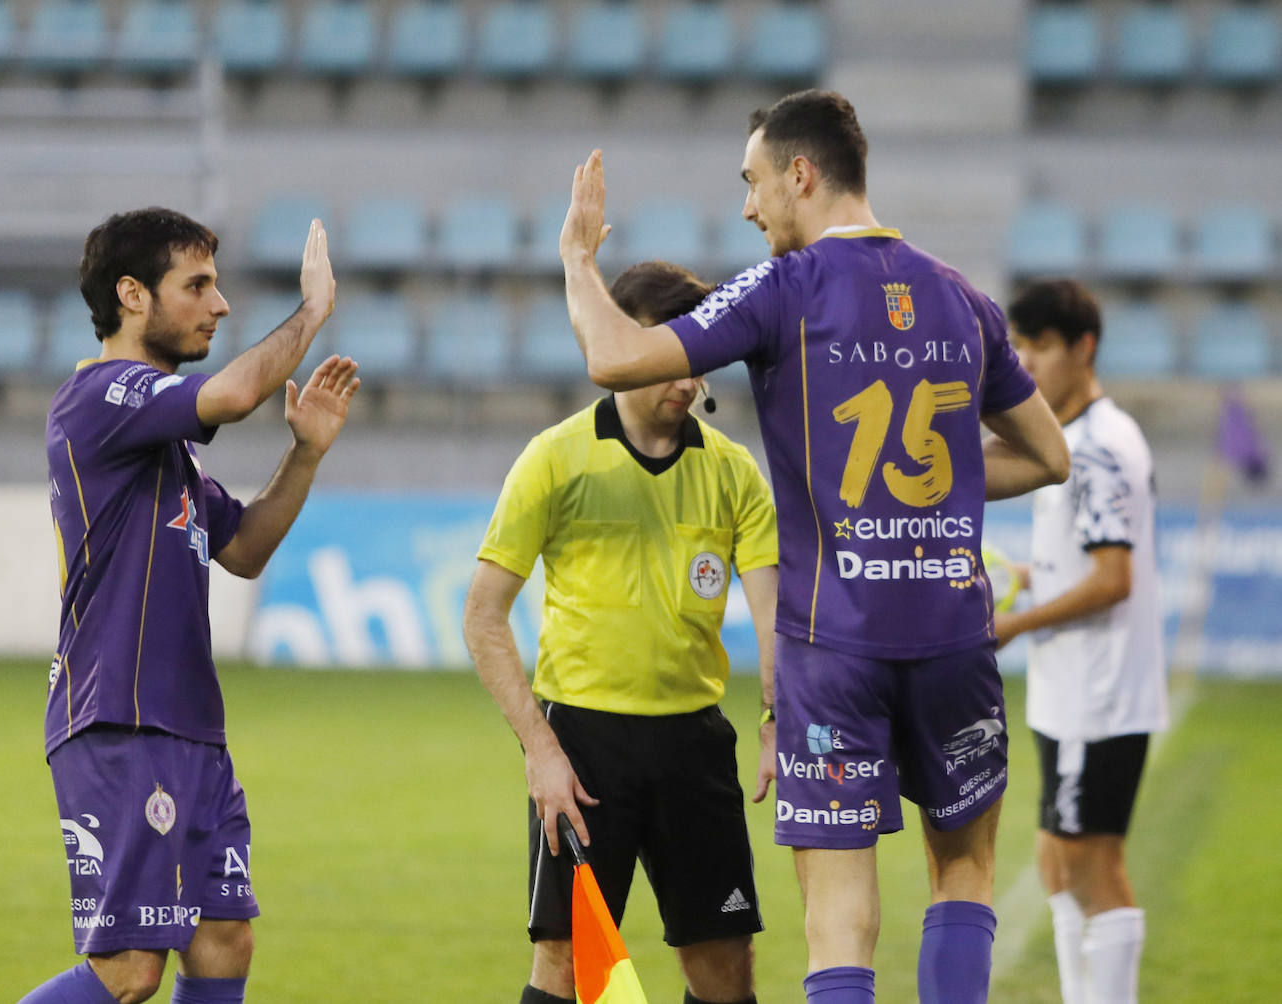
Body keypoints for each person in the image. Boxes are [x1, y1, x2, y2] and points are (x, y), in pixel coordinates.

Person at [557, 90, 1071, 1004]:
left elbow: (612, 358)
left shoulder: (784, 289)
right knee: (962, 873)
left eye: (753, 182)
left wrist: (576, 259)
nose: (747, 207)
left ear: (800, 174)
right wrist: (942, 480)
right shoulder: (963, 298)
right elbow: (1047, 455)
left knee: (838, 919)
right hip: (954, 636)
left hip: (833, 649)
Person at [21, 208, 357, 1004]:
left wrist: (305, 454)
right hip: (122, 717)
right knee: (130, 972)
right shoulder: (101, 396)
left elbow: (244, 550)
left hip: (190, 728)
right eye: (198, 285)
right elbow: (234, 394)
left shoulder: (163, 448)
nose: (220, 304)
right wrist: (311, 311)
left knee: (223, 942)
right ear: (132, 295)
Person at [463, 260, 781, 1004]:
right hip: (584, 749)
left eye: (697, 358)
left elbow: (776, 614)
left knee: (725, 967)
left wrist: (777, 717)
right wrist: (541, 752)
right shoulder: (555, 457)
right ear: (622, 345)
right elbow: (483, 615)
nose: (688, 378)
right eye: (669, 352)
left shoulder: (734, 472)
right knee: (567, 965)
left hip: (695, 744)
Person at [995, 280, 1167, 1004]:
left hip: (1097, 696)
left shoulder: (1096, 448)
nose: (1027, 362)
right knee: (1056, 862)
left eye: (1040, 346)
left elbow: (1112, 578)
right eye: (1019, 346)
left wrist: (1011, 625)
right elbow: (1088, 561)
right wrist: (1026, 577)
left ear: (1084, 347)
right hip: (1072, 692)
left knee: (1092, 869)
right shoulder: (1074, 438)